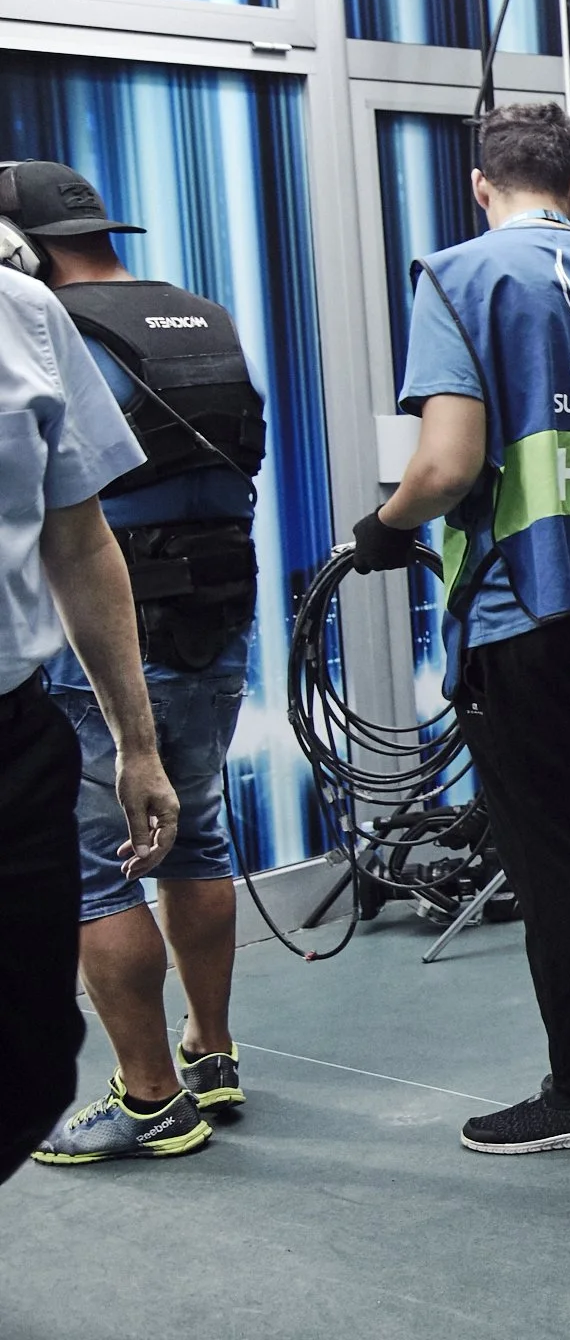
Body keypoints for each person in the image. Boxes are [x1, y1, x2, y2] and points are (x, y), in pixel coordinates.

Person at [348, 102, 570, 1155]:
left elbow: (448, 463)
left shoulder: (459, 278)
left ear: (480, 183)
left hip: (524, 609)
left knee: (552, 857)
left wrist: (381, 526)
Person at [4, 164, 265, 1166]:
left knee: (100, 870)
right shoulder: (201, 317)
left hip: (103, 638)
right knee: (194, 834)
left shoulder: (44, 324)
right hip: (217, 615)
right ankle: (214, 1049)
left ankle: (151, 1097)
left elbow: (70, 523)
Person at [0, 236, 182, 1183]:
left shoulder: (26, 316)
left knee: (29, 1063)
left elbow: (80, 542)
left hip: (13, 735)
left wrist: (135, 742)